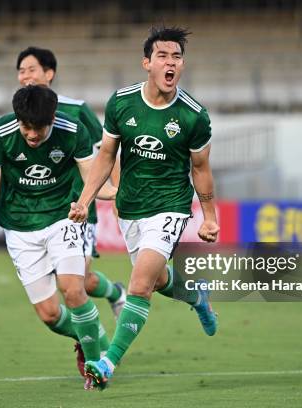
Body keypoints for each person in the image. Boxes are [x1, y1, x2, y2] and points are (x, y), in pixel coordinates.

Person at [68, 26, 220, 390]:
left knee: (139, 286)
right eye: (163, 56)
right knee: (157, 278)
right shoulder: (122, 103)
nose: (171, 63)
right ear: (147, 63)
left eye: (177, 57)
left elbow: (200, 169)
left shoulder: (194, 116)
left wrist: (210, 217)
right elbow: (106, 156)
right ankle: (197, 295)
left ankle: (107, 363)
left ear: (182, 65)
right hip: (131, 207)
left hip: (170, 206)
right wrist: (86, 200)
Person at [0, 85, 117, 390]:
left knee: (73, 290)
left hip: (63, 218)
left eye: (39, 127)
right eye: (26, 127)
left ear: (53, 118)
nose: (32, 134)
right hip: (20, 227)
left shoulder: (73, 131)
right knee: (49, 315)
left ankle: (95, 364)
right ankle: (86, 332)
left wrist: (114, 193)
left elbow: (92, 179)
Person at [16, 47, 126, 320]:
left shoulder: (76, 110)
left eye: (31, 69)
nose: (25, 76)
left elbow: (108, 152)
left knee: (80, 282)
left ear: (49, 73)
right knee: (70, 283)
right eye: (20, 71)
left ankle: (111, 299)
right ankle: (95, 323)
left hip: (78, 206)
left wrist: (118, 193)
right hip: (40, 213)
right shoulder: (20, 117)